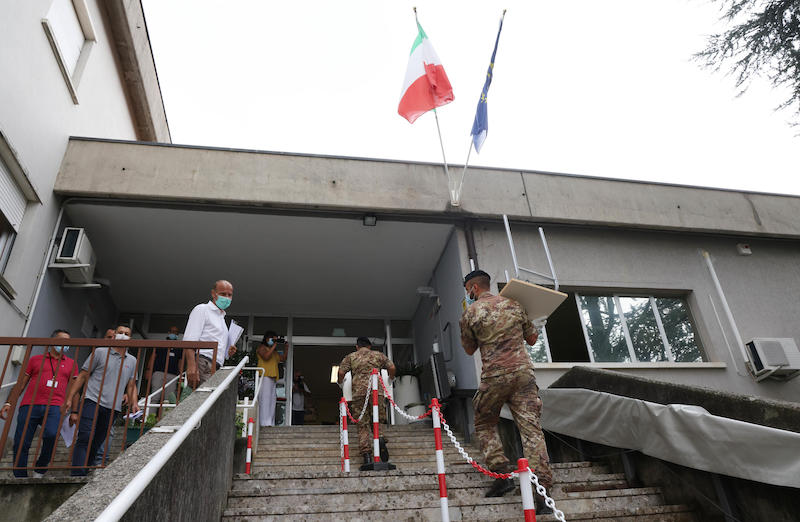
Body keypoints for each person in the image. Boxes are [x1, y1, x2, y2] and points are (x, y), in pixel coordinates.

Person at [459, 269, 554, 512]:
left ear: (473, 288)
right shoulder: (516, 305)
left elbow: (469, 350)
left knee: (484, 422)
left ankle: (502, 475)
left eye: (467, 291)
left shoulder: (470, 313)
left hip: (495, 377)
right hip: (523, 375)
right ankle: (542, 492)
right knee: (531, 431)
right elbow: (532, 339)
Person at [63, 325, 140, 476]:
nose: (123, 336)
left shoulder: (132, 360)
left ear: (130, 338)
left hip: (113, 406)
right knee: (85, 435)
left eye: (127, 334)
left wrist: (134, 402)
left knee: (98, 440)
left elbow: (131, 385)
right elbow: (83, 375)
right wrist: (70, 398)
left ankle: (85, 469)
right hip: (92, 400)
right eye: (120, 333)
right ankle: (77, 473)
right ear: (114, 335)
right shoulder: (100, 352)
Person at [0, 329, 77, 477]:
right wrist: (9, 403)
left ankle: (40, 468)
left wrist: (74, 411)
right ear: (52, 341)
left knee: (51, 435)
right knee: (22, 441)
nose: (66, 345)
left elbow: (75, 389)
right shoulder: (35, 359)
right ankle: (20, 476)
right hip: (30, 404)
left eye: (68, 342)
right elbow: (21, 383)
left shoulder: (71, 364)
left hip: (55, 406)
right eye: (62, 341)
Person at [338, 337, 396, 470]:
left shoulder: (351, 356)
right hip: (377, 392)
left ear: (357, 346)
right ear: (369, 346)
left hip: (359, 393)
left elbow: (341, 372)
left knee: (362, 424)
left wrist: (340, 382)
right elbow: (392, 367)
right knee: (378, 419)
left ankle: (367, 455)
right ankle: (380, 438)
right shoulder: (378, 355)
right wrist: (391, 378)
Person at [183, 280, 237, 388]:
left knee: (210, 402)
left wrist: (228, 352)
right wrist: (191, 366)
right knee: (201, 401)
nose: (226, 297)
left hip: (216, 366)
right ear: (213, 294)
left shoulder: (222, 318)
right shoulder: (202, 309)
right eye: (223, 294)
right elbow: (189, 340)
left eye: (229, 295)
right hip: (203, 363)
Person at [256, 331, 286, 427]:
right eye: (272, 339)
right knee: (265, 400)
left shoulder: (273, 351)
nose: (273, 341)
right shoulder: (261, 347)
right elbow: (266, 357)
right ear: (267, 338)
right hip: (264, 377)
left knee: (272, 401)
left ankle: (270, 423)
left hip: (272, 378)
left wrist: (286, 348)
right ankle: (264, 423)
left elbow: (282, 359)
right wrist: (274, 345)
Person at [145, 326, 182, 403]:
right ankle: (151, 415)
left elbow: (180, 362)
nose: (173, 333)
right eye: (172, 331)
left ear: (177, 334)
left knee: (168, 400)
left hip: (173, 375)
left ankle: (165, 415)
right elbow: (153, 357)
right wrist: (148, 370)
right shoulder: (161, 344)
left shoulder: (179, 347)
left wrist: (180, 375)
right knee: (154, 397)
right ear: (168, 333)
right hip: (159, 373)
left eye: (175, 332)